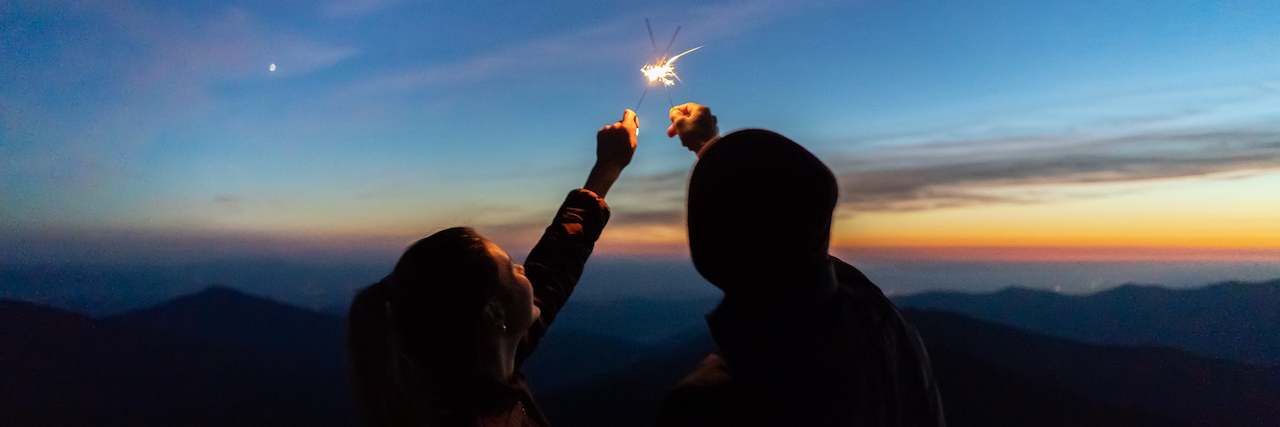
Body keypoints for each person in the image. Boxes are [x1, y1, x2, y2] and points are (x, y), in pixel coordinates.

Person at [656, 103, 945, 426]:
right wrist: (709, 145)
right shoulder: (886, 324)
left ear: (712, 243)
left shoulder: (711, 403)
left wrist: (714, 155)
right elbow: (791, 236)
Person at [346, 110, 639, 427]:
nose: (525, 271)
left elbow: (552, 269)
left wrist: (606, 169)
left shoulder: (476, 367)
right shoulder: (480, 402)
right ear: (494, 315)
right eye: (512, 269)